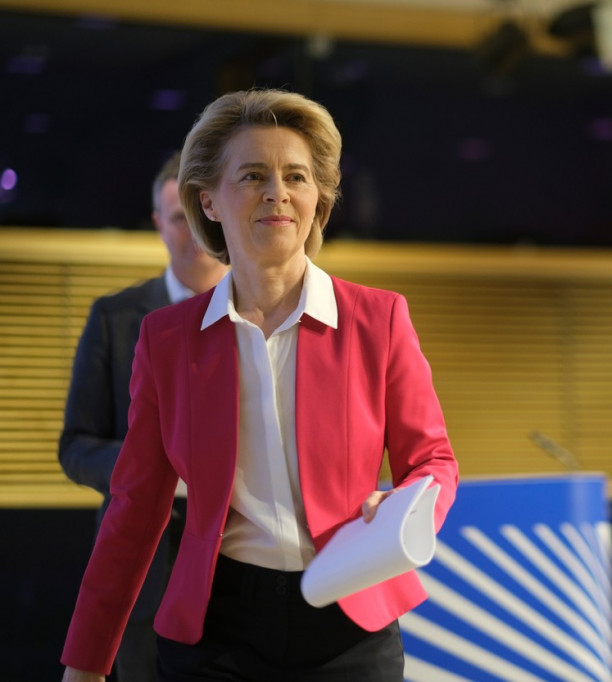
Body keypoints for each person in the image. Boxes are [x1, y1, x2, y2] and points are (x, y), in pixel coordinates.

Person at [60, 88, 459, 682]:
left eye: (296, 176)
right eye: (252, 176)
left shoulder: (379, 319)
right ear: (209, 201)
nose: (277, 192)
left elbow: (433, 461)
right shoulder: (167, 339)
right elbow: (134, 508)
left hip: (350, 621)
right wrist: (86, 662)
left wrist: (408, 505)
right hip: (217, 629)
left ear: (318, 199)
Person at [58, 151, 229, 682]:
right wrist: (156, 471)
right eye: (178, 217)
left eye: (200, 215)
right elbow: (76, 446)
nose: (193, 231)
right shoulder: (115, 317)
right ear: (158, 224)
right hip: (143, 571)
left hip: (243, 564)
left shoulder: (262, 316)